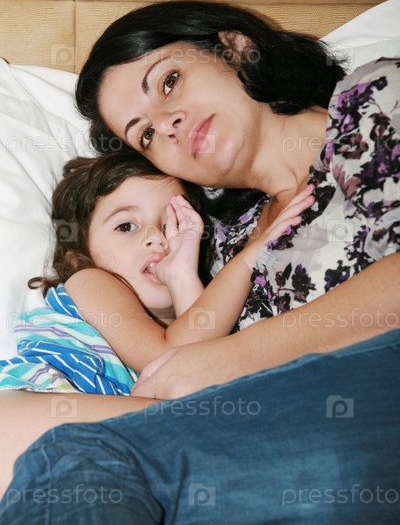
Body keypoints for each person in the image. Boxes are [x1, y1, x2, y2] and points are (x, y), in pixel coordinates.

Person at [1, 0, 399, 522]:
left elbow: (197, 367)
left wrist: (237, 358)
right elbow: (184, 345)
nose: (167, 125)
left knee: (70, 457)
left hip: (353, 416)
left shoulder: (374, 99)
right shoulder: (223, 244)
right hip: (246, 465)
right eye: (145, 135)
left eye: (169, 82)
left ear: (235, 49)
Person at [0, 151, 312, 394]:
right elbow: (168, 356)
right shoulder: (90, 281)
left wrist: (181, 277)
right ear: (78, 258)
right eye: (126, 226)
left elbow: (198, 361)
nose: (156, 236)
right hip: (33, 406)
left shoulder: (190, 323)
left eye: (172, 223)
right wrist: (250, 257)